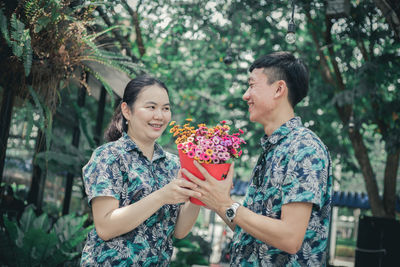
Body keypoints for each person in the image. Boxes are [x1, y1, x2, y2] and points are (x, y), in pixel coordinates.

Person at [183, 51, 333, 266]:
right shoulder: (272, 149)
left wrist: (226, 203)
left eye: (252, 85)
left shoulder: (304, 148)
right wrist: (216, 201)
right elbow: (249, 229)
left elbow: (290, 238)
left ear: (279, 89)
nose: (245, 95)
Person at [80, 75, 202, 266]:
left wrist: (198, 193)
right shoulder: (109, 156)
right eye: (151, 107)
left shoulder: (173, 164)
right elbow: (105, 226)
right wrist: (162, 196)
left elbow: (178, 231)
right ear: (127, 111)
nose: (159, 116)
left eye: (166, 108)